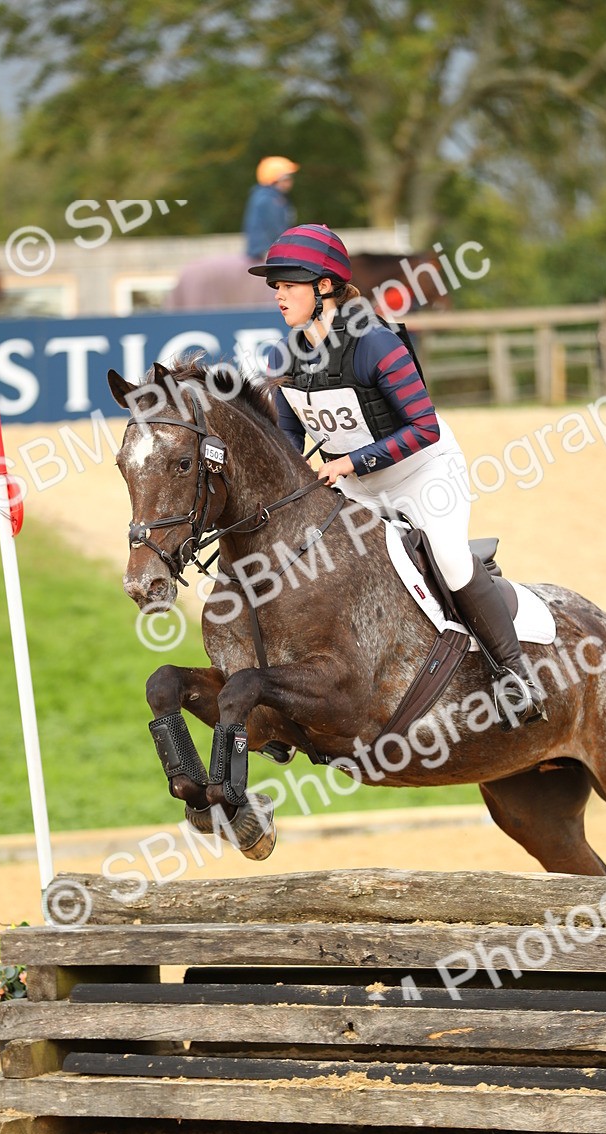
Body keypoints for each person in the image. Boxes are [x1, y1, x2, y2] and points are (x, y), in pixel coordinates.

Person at [249, 224, 546, 727]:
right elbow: (287, 442)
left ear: (324, 287)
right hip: (354, 487)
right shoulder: (284, 357)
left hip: (422, 474)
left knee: (449, 558)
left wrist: (349, 462)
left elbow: (424, 428)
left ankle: (515, 675)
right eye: (275, 286)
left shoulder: (376, 345)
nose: (279, 295)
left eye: (289, 284)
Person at [243, 157, 299, 262]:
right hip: (266, 252)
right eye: (287, 179)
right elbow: (276, 230)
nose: (290, 182)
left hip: (267, 250)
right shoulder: (269, 200)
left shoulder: (272, 197)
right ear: (274, 180)